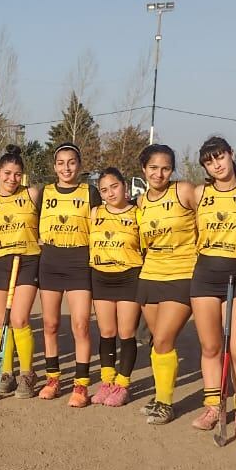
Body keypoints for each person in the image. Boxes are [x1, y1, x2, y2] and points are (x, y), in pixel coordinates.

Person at [189, 137, 236, 437]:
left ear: (232, 155)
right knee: (210, 346)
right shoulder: (199, 192)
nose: (216, 165)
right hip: (205, 272)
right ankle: (214, 406)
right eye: (209, 161)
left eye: (220, 157)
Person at [135, 144, 198, 425]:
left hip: (182, 274)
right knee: (155, 341)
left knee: (163, 338)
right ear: (143, 170)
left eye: (165, 168)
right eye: (153, 168)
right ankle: (161, 394)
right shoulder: (141, 202)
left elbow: (210, 214)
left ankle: (165, 403)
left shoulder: (184, 190)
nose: (159, 173)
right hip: (150, 275)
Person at [37, 143, 99, 407]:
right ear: (54, 167)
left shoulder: (90, 192)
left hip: (78, 261)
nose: (66, 168)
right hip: (50, 260)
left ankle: (81, 384)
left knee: (81, 325)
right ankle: (53, 379)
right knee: (50, 324)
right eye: (61, 163)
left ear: (80, 165)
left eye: (71, 162)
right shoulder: (45, 192)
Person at [0, 145, 41, 398]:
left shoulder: (32, 194)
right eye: (7, 173)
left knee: (19, 319)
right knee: (2, 321)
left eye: (17, 174)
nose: (11, 179)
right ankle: (7, 372)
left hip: (27, 260)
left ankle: (27, 373)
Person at [88, 167, 143, 407]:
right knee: (107, 332)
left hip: (130, 276)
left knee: (126, 333)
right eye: (104, 190)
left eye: (114, 187)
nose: (110, 193)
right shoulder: (94, 213)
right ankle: (107, 381)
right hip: (101, 276)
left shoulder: (138, 213)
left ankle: (123, 384)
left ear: (125, 186)